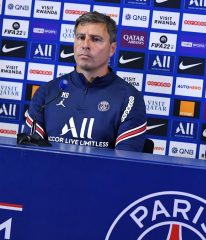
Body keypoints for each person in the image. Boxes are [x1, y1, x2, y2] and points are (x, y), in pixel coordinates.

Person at [24, 11, 147, 152]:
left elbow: (125, 163)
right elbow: (29, 153)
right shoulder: (46, 93)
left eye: (95, 39)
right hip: (50, 172)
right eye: (81, 37)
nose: (85, 45)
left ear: (112, 49)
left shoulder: (130, 98)